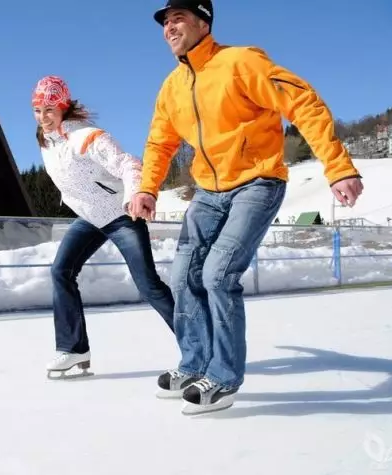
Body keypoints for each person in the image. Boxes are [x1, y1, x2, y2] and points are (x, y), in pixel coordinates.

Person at [129, 0, 364, 413]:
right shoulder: (172, 86)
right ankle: (195, 362)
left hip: (257, 181)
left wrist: (338, 167)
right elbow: (159, 142)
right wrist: (147, 187)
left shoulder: (241, 62)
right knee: (184, 275)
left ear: (203, 22)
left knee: (218, 274)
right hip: (207, 191)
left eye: (178, 18)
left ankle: (222, 377)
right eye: (165, 22)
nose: (169, 27)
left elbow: (302, 102)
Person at [31, 75, 176, 378]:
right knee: (61, 271)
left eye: (49, 109)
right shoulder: (46, 140)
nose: (43, 117)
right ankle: (74, 349)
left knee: (148, 284)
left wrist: (137, 193)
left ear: (63, 108)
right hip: (90, 217)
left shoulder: (88, 137)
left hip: (120, 215)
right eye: (37, 110)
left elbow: (128, 164)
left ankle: (199, 345)